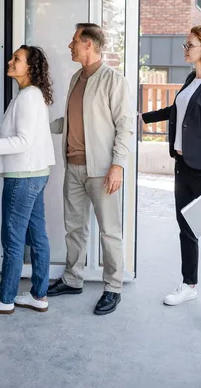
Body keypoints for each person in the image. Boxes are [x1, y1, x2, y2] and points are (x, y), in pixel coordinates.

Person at [142, 25, 201, 332]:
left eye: (190, 45)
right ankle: (189, 284)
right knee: (186, 230)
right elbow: (175, 110)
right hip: (182, 166)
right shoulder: (190, 80)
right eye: (185, 44)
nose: (185, 48)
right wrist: (143, 117)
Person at [47, 23, 133, 316]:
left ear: (88, 44)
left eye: (74, 41)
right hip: (73, 166)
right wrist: (39, 128)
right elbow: (70, 119)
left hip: (101, 170)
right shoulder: (75, 78)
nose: (70, 46)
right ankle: (72, 279)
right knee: (74, 228)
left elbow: (125, 126)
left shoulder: (113, 80)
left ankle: (113, 288)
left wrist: (118, 165)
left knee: (109, 232)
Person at [0, 46, 55, 315]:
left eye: (17, 59)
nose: (10, 61)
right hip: (36, 173)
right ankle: (38, 296)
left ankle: (5, 299)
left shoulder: (28, 97)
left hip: (23, 177)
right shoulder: (31, 95)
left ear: (29, 67)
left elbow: (23, 141)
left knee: (13, 239)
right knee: (37, 236)